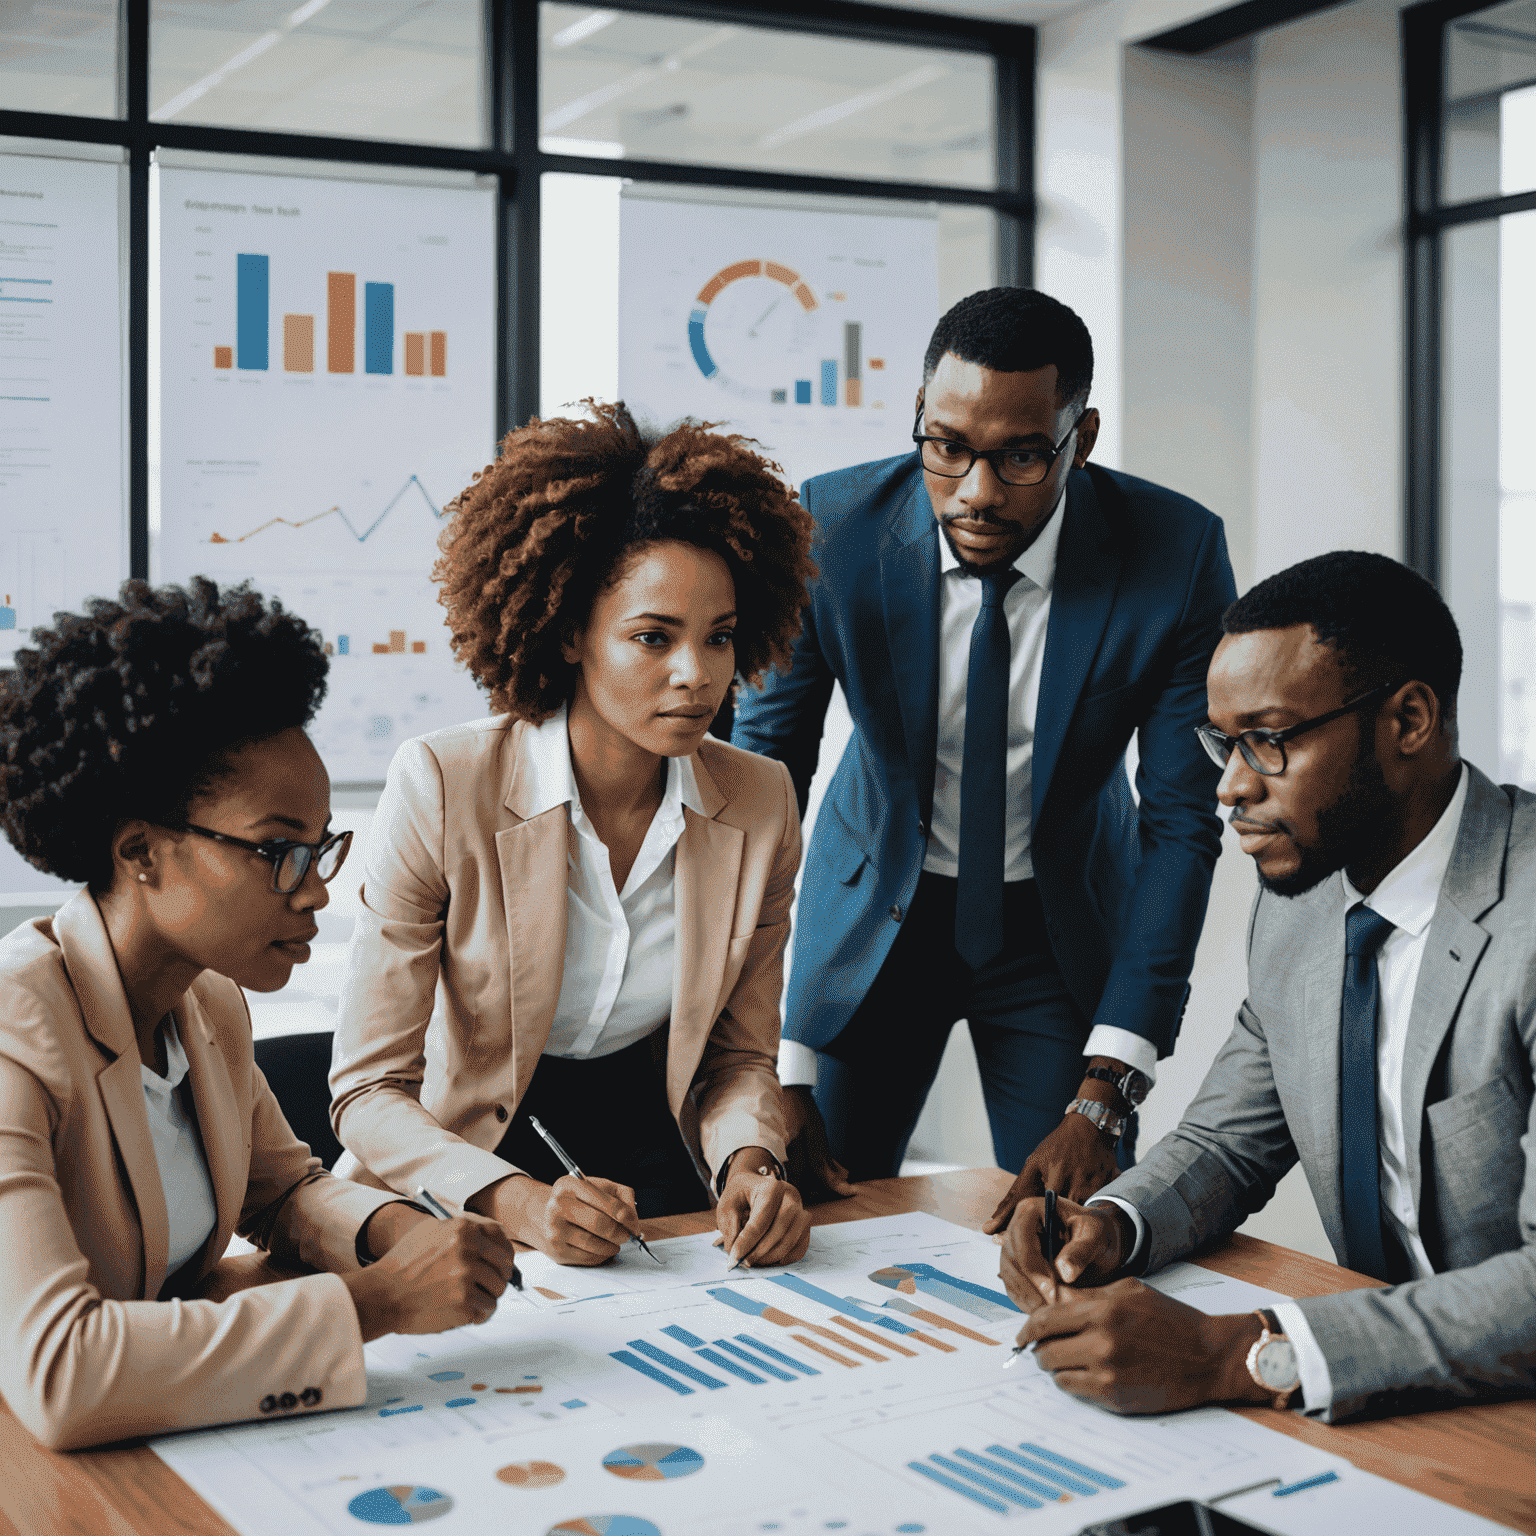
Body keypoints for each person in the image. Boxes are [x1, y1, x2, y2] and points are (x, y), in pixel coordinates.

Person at [1001, 551, 1536, 1422]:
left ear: (1408, 719)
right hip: (1400, 1400)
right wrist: (1111, 1224)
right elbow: (1225, 1144)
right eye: (1223, 741)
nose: (1231, 786)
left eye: (1270, 740)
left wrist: (1238, 1351)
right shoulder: (1304, 907)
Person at [732, 287, 1237, 1209]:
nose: (975, 491)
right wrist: (774, 1057)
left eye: (1019, 457)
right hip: (868, 923)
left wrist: (1110, 1088)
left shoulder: (1177, 554)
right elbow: (757, 792)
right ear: (919, 420)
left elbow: (1181, 826)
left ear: (1079, 439)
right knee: (807, 1213)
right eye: (947, 447)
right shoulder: (831, 531)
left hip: (1056, 932)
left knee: (1068, 1223)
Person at [0, 579, 519, 1452]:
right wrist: (381, 1302)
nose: (317, 890)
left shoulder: (206, 1000)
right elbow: (61, 1368)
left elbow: (282, 1196)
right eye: (279, 851)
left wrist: (404, 1233)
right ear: (142, 855)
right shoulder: (15, 1030)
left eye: (320, 849)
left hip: (168, 1438)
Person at [329, 403, 817, 1269]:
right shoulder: (445, 786)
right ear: (567, 633)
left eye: (721, 638)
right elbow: (368, 1090)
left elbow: (739, 1056)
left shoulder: (761, 802)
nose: (697, 675)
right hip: (461, 1176)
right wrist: (517, 1201)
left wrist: (752, 1158)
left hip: (659, 1176)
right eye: (652, 638)